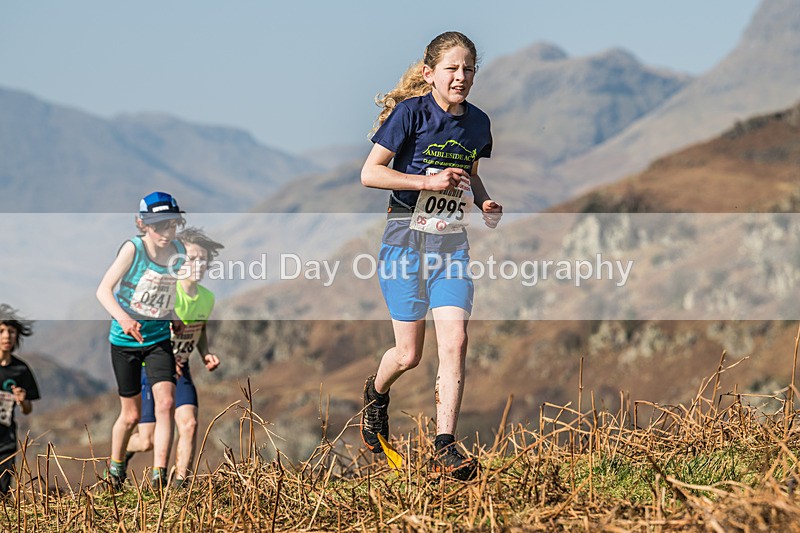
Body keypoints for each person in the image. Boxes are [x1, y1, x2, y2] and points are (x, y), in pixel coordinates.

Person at [359, 31, 502, 481]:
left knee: (456, 341)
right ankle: (376, 394)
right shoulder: (410, 114)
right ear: (430, 73)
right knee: (408, 355)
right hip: (404, 243)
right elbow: (370, 174)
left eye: (469, 69)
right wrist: (427, 182)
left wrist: (483, 202)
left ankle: (445, 444)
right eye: (452, 69)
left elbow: (471, 175)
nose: (461, 77)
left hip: (450, 246)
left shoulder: (478, 123)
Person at [96, 191, 186, 490]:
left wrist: (172, 315)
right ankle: (116, 469)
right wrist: (124, 318)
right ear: (142, 224)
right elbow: (104, 291)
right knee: (131, 414)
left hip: (159, 339)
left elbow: (164, 291)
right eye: (159, 225)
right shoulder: (132, 249)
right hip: (124, 342)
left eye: (171, 225)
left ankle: (160, 475)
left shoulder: (178, 251)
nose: (166, 232)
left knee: (167, 403)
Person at [126, 227, 222, 487]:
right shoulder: (167, 291)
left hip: (183, 369)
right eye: (192, 259)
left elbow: (199, 329)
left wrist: (206, 353)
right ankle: (122, 452)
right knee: (146, 440)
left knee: (189, 424)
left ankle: (181, 486)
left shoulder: (207, 298)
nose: (198, 264)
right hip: (153, 370)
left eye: (203, 260)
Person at [0, 304, 40, 496]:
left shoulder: (21, 370)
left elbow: (27, 409)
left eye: (11, 331)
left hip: (5, 438)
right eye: (1, 331)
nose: (6, 336)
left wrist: (22, 400)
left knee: (3, 489)